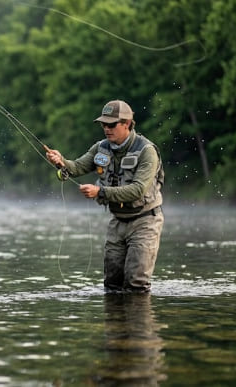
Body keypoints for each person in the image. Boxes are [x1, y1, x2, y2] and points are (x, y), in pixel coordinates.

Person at [45, 100, 164, 293]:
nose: (106, 129)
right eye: (103, 124)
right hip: (117, 222)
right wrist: (61, 162)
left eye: (111, 124)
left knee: (136, 284)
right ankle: (115, 322)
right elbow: (75, 168)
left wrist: (99, 192)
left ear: (126, 123)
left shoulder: (146, 151)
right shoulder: (100, 148)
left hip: (145, 222)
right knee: (112, 284)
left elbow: (138, 190)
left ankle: (138, 323)